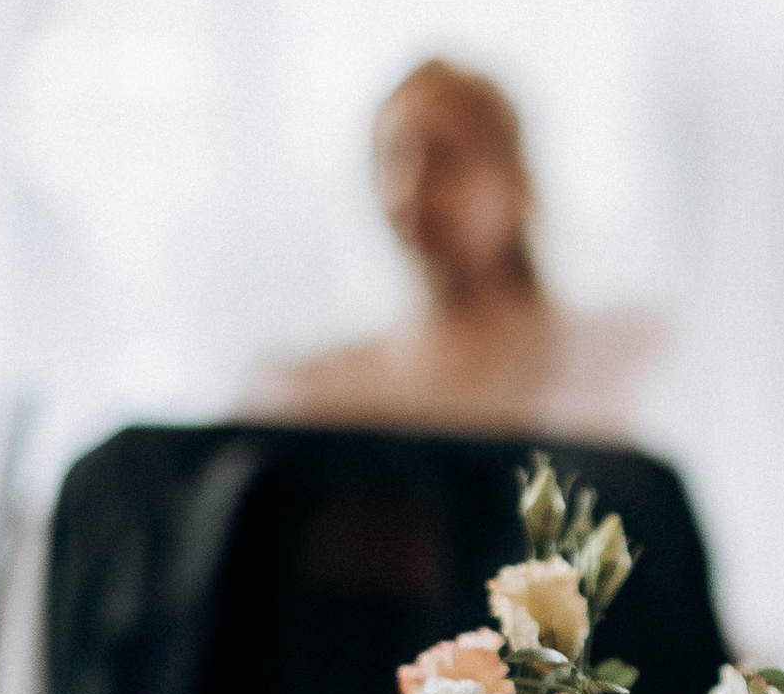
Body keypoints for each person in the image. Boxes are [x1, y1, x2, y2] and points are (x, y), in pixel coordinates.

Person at [245, 59, 662, 440]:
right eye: (392, 159)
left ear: (515, 184)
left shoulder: (610, 357)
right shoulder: (316, 387)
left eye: (442, 159)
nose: (411, 191)